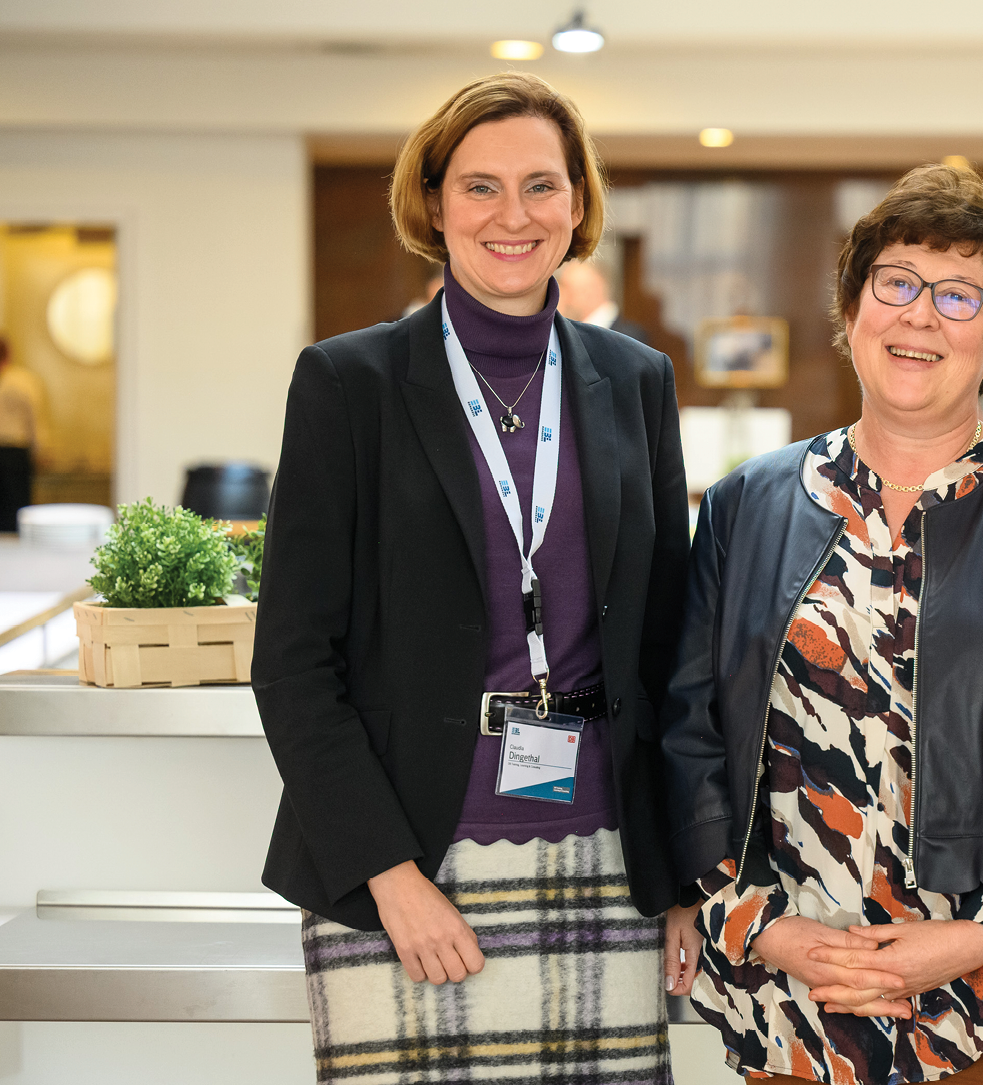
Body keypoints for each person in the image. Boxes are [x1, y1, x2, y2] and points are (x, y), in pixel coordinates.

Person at [254, 72, 698, 1085]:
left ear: (578, 204)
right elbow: (291, 660)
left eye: (542, 185)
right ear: (435, 203)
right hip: (410, 863)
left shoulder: (637, 380)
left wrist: (679, 871)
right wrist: (387, 873)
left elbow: (675, 650)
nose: (514, 215)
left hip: (604, 860)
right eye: (481, 186)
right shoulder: (347, 383)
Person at [663, 164, 983, 1084]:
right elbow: (688, 729)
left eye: (961, 296)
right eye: (897, 284)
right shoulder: (745, 505)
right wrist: (764, 927)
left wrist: (972, 936)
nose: (921, 315)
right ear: (851, 316)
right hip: (794, 991)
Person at [0, 337, 49, 532]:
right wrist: (41, 450)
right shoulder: (23, 381)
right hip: (14, 456)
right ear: (8, 354)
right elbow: (35, 420)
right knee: (15, 513)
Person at [557, 258, 653, 344]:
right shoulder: (569, 334)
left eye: (568, 291)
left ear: (592, 290)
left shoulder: (629, 338)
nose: (562, 299)